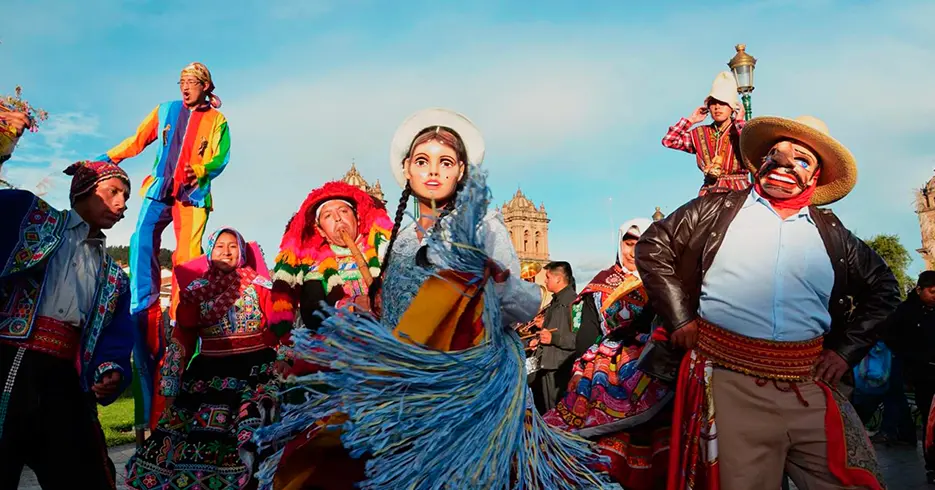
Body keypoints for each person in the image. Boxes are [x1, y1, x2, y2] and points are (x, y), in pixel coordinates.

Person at [256, 108, 612, 489]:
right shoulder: (403, 239)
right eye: (423, 161)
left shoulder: (482, 225)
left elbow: (518, 305)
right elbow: (398, 315)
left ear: (461, 171)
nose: (433, 171)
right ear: (407, 169)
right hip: (414, 385)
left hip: (476, 380)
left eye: (445, 162)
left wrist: (496, 286)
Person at [637, 115, 900, 489]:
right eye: (775, 153)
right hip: (731, 384)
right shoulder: (716, 210)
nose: (783, 163)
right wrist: (680, 319)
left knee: (853, 481)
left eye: (801, 159)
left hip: (810, 383)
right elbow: (653, 246)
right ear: (760, 162)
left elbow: (884, 289)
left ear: (816, 176)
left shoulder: (832, 233)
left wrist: (844, 351)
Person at [93, 62, 232, 430]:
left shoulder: (217, 120)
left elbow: (221, 157)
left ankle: (184, 307)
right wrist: (108, 158)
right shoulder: (166, 110)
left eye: (192, 83)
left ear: (205, 86)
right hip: (160, 188)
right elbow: (138, 139)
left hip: (192, 192)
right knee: (141, 237)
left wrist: (200, 169)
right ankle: (144, 297)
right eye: (182, 82)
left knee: (188, 254)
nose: (185, 88)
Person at [0, 160, 135, 489]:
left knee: (86, 474)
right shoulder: (31, 215)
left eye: (126, 198)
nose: (121, 204)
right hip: (11, 360)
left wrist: (111, 367)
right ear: (84, 190)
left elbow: (115, 333)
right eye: (113, 192)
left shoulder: (113, 276)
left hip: (65, 377)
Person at [262, 180, 393, 489]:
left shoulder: (386, 253)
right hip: (332, 358)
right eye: (328, 215)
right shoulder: (314, 266)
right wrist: (351, 305)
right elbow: (312, 309)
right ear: (320, 230)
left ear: (358, 218)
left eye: (344, 211)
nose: (338, 219)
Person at [126, 228, 278, 489]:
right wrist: (171, 384)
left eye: (233, 246)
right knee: (199, 439)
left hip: (256, 368)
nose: (226, 252)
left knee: (254, 429)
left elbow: (280, 328)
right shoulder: (195, 291)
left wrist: (285, 359)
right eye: (220, 246)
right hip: (209, 373)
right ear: (210, 252)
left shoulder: (260, 286)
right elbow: (182, 338)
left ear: (242, 252)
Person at [543, 218, 672, 489]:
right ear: (620, 243)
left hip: (655, 371)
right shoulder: (599, 286)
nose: (634, 251)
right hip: (603, 376)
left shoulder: (664, 281)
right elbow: (585, 336)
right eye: (629, 243)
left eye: (642, 244)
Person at [882, 270, 935, 483]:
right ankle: (932, 465)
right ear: (919, 289)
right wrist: (909, 357)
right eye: (932, 292)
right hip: (922, 374)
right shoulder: (905, 312)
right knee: (929, 420)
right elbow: (889, 335)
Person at [662, 71, 749, 196]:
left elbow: (752, 145)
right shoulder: (700, 133)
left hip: (738, 192)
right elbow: (669, 141)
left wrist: (740, 121)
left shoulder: (740, 130)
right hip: (709, 193)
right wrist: (691, 120)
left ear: (732, 108)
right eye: (713, 103)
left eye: (723, 103)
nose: (717, 107)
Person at [528, 261, 578, 413]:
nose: (545, 281)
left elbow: (579, 339)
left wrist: (553, 339)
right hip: (547, 363)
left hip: (560, 369)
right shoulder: (555, 301)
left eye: (548, 277)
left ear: (558, 279)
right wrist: (539, 340)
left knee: (557, 411)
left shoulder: (574, 303)